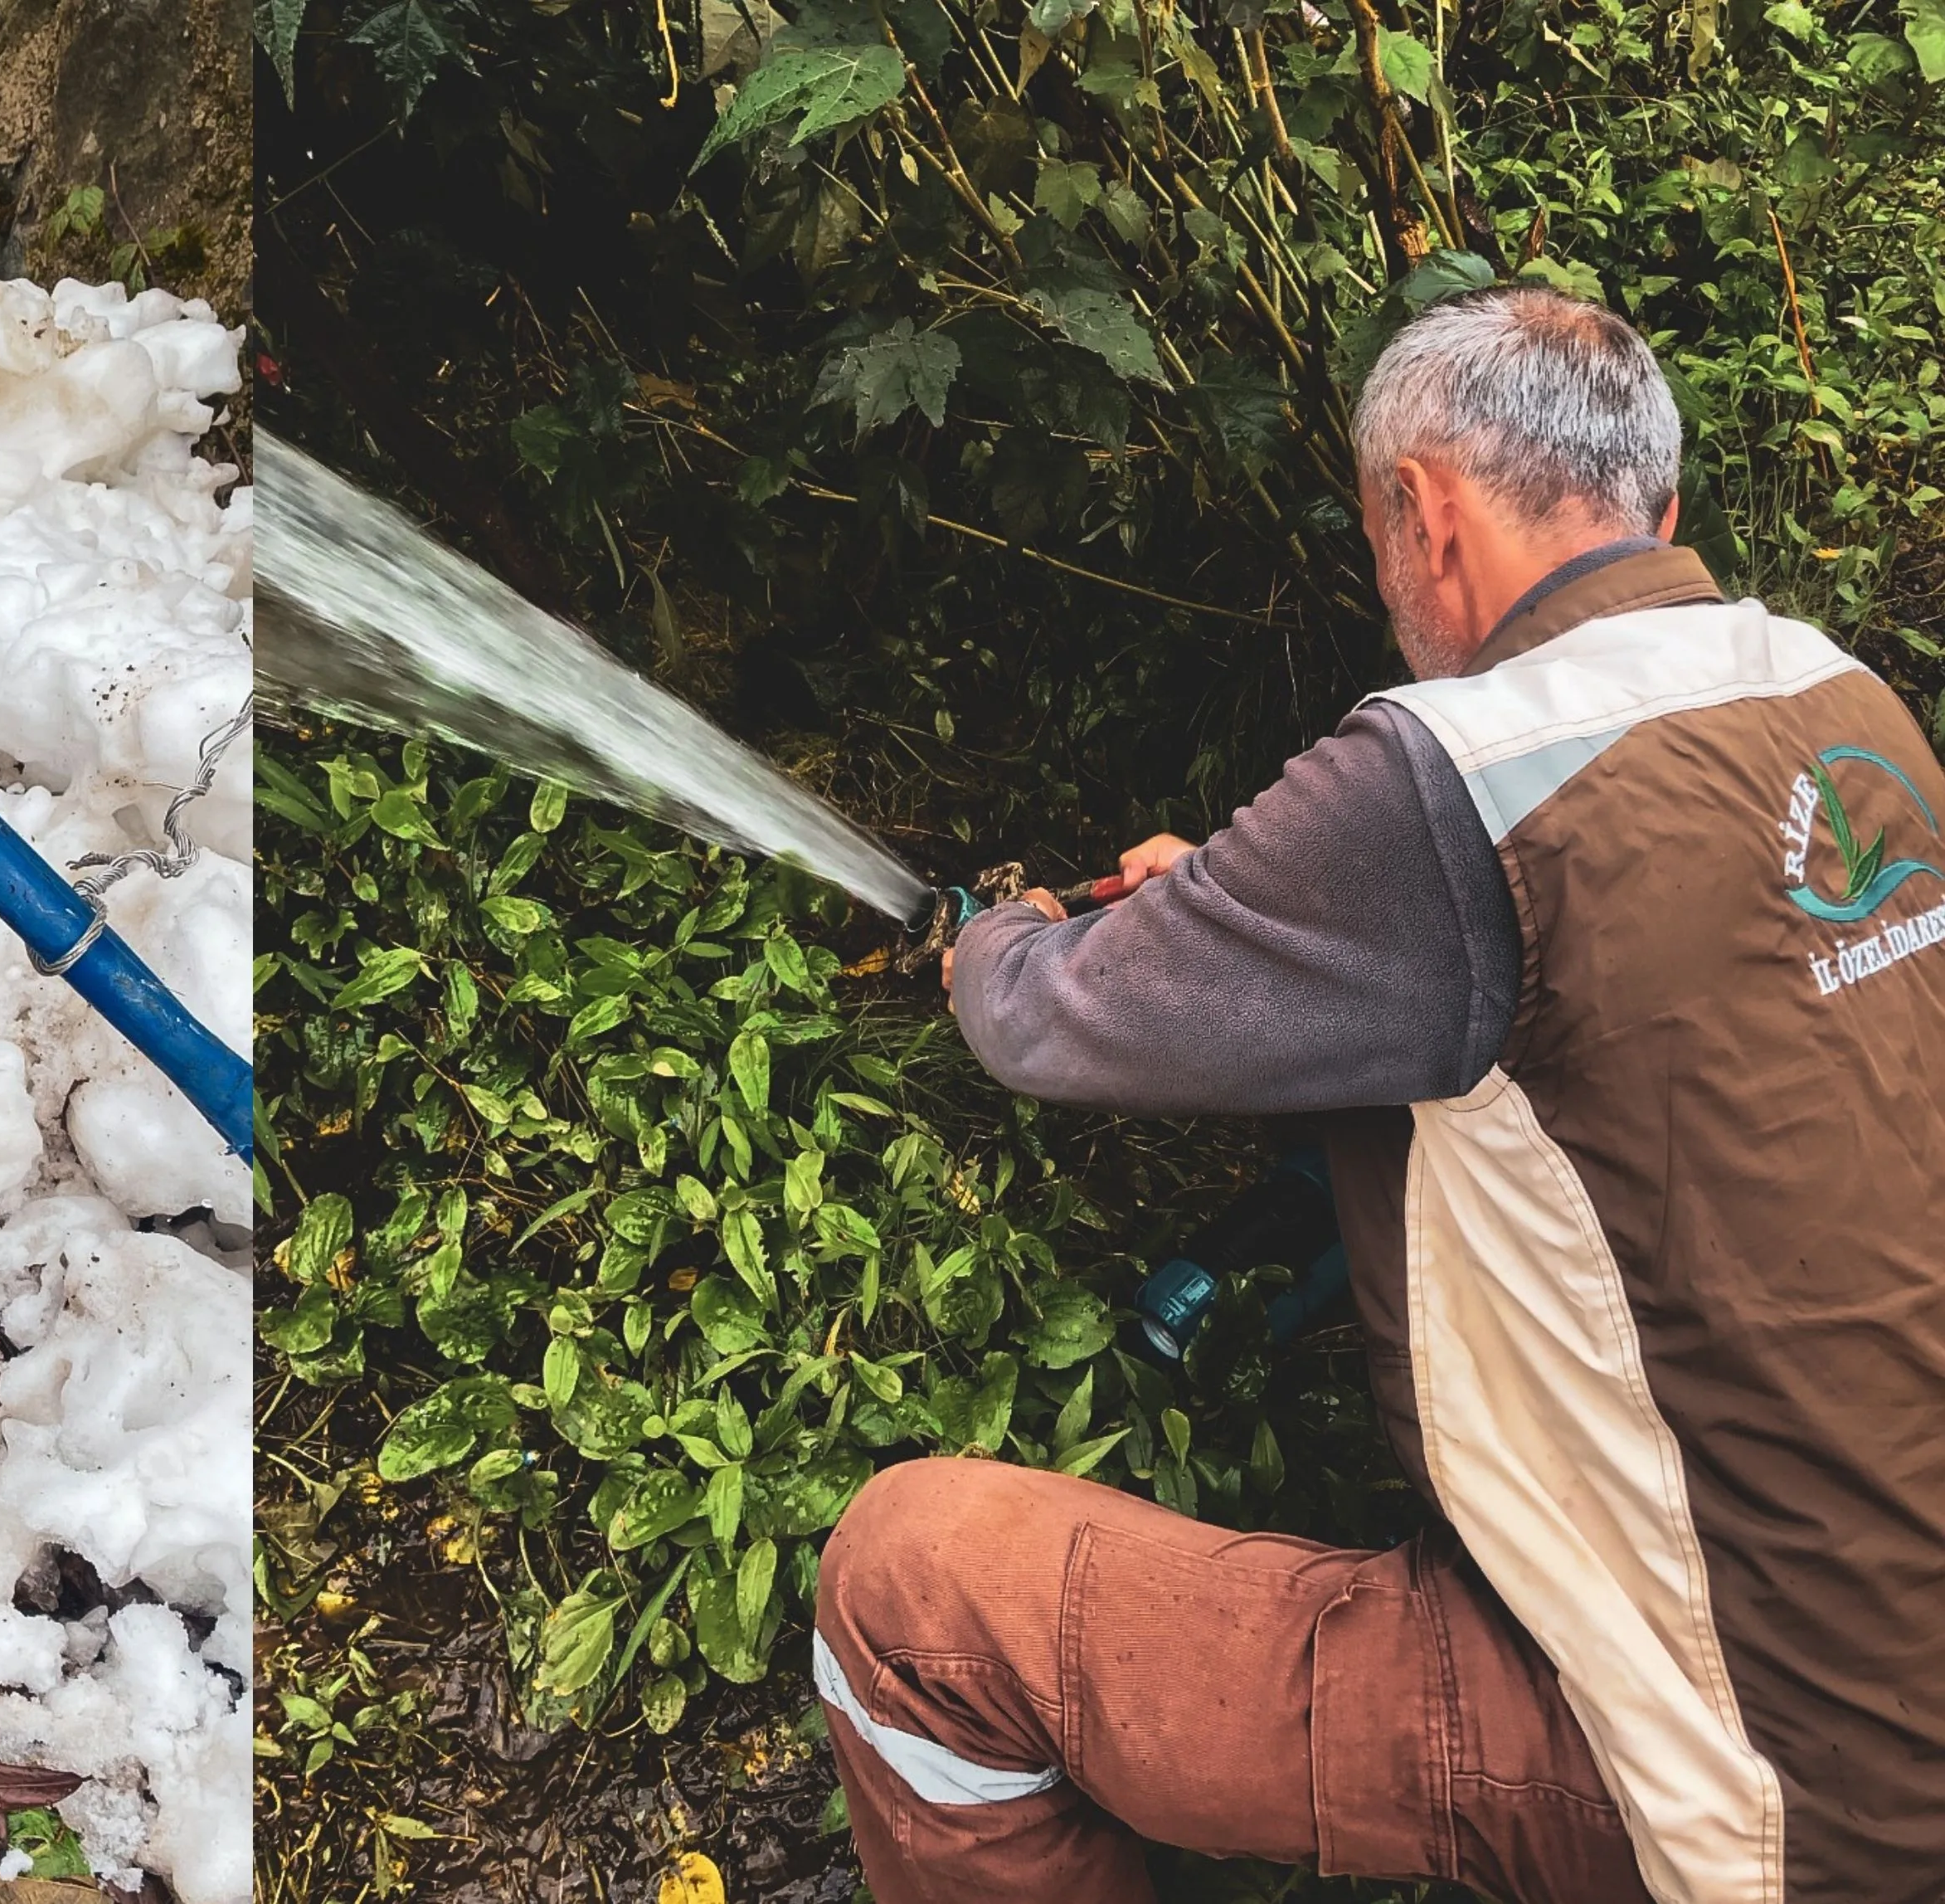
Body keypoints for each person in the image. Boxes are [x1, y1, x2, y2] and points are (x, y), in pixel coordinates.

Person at [834, 285, 1945, 1902]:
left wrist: (997, 933)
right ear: (1662, 511)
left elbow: (1046, 1023)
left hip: (1756, 1788)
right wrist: (1233, 908)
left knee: (907, 1588)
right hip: (1894, 1624)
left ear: (1421, 515)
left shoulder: (1451, 769)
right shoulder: (1842, 702)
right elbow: (1568, 1014)